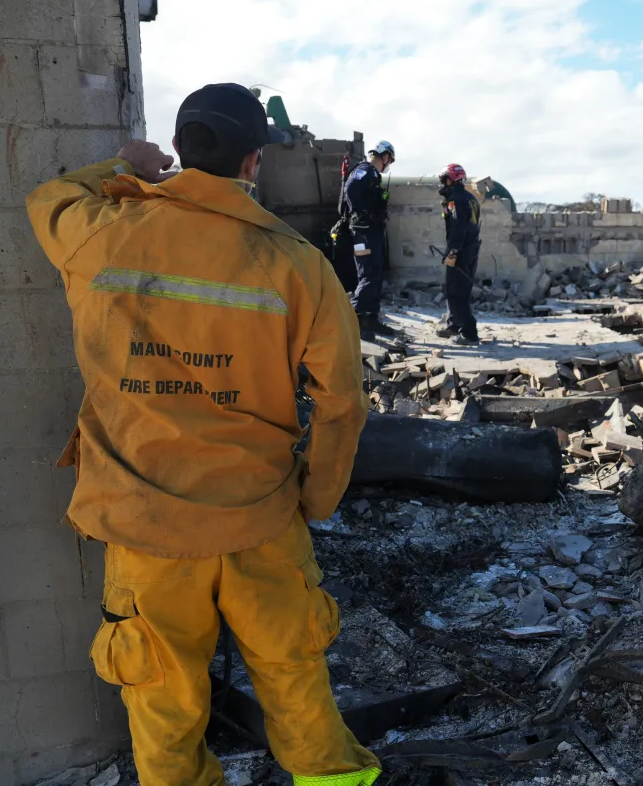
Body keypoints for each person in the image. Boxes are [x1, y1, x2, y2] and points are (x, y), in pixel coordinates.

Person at [25, 83, 381, 786]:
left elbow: (46, 200)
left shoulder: (102, 230)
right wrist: (317, 496)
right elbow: (343, 403)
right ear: (253, 162)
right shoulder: (297, 264)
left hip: (147, 528)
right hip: (262, 518)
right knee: (303, 703)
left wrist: (122, 165)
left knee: (164, 717)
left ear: (181, 151)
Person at [340, 140, 396, 339]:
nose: (388, 163)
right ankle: (354, 320)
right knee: (368, 275)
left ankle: (370, 319)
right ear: (384, 156)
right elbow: (351, 189)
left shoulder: (372, 174)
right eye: (389, 159)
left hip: (371, 231)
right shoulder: (364, 171)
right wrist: (362, 215)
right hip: (363, 233)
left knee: (375, 273)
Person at [435, 163, 482, 345]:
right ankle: (453, 325)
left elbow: (458, 229)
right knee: (456, 289)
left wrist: (452, 252)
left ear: (451, 179)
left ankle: (470, 333)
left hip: (460, 251)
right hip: (471, 249)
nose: (443, 184)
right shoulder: (471, 198)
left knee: (456, 292)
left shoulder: (456, 199)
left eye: (445, 180)